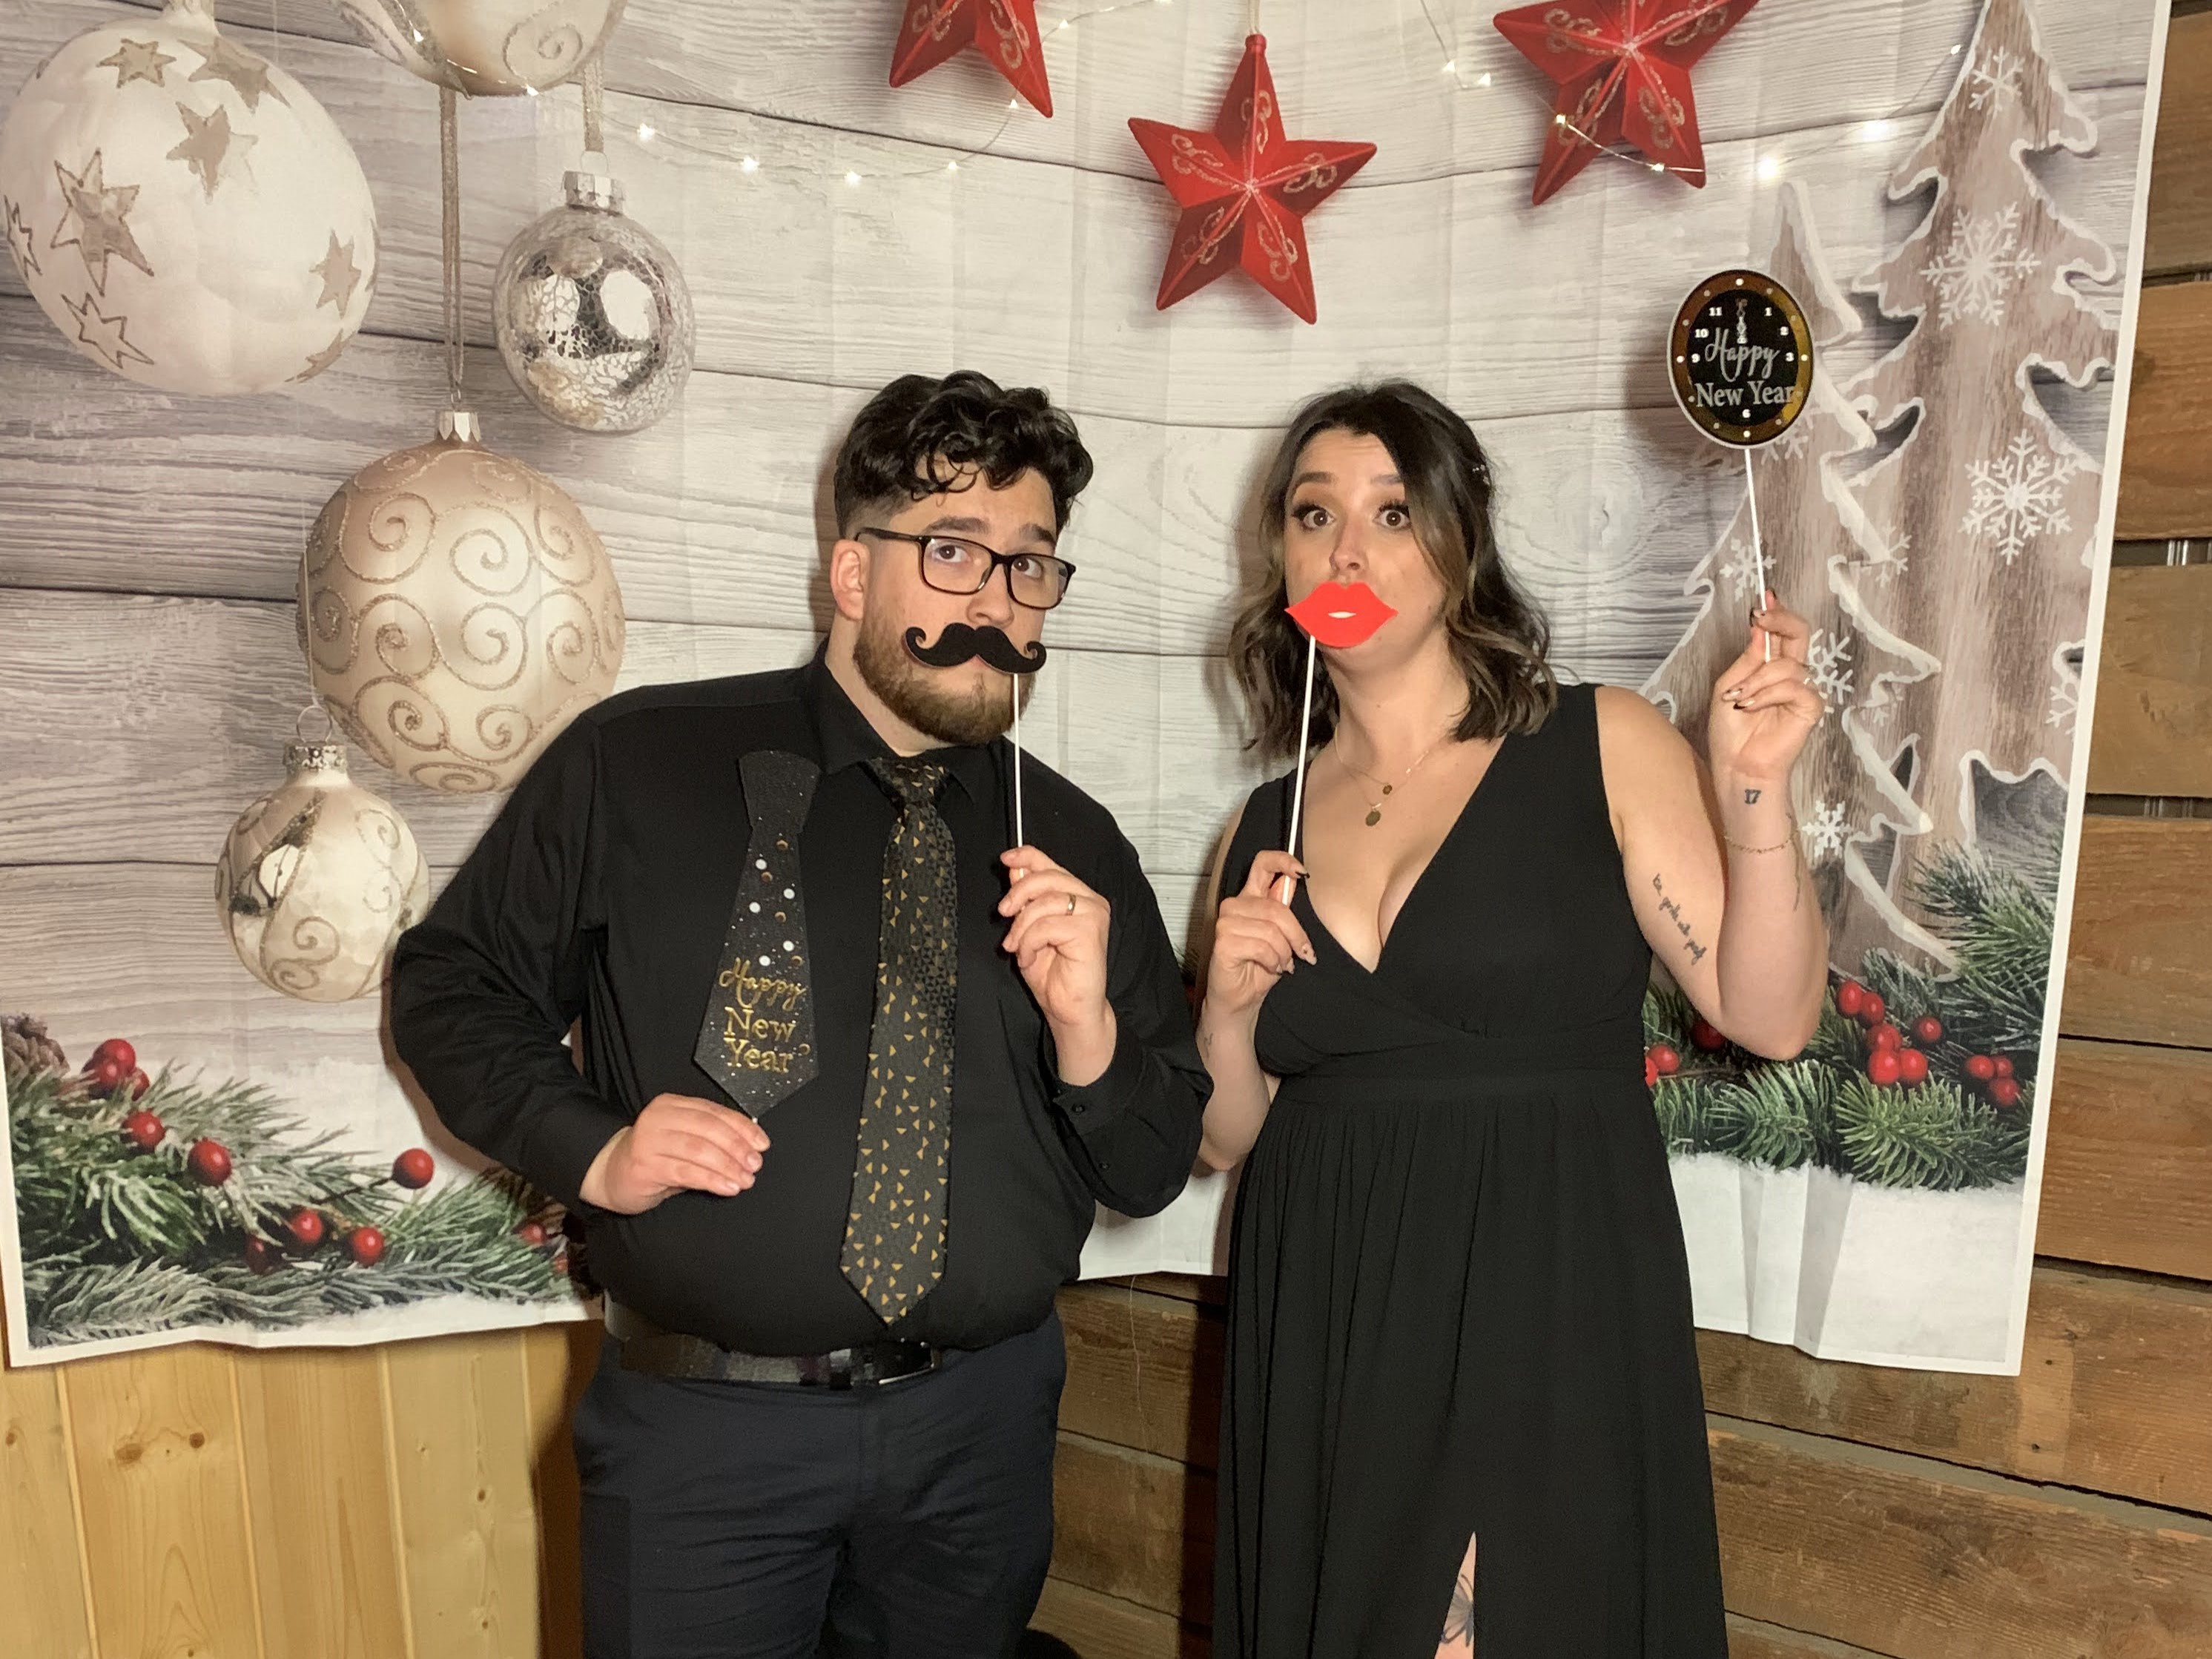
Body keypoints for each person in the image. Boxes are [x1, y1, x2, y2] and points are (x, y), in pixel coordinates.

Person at [389, 370, 1208, 1659]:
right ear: (851, 573)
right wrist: (592, 1144)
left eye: (1031, 565)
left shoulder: (1077, 843)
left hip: (980, 1442)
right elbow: (450, 984)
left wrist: (1090, 1029)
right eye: (954, 553)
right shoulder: (637, 766)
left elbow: (1155, 1160)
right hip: (708, 1448)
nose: (996, 602)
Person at [1194, 382, 1827, 1658]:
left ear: (1459, 542)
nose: (1348, 550)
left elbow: (1770, 1014)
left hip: (1545, 1283)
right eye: (1314, 514)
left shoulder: (1598, 737)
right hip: (1332, 1310)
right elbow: (1225, 1134)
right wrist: (1222, 1010)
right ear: (1282, 556)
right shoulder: (1264, 821)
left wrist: (1753, 795)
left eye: (1390, 511)